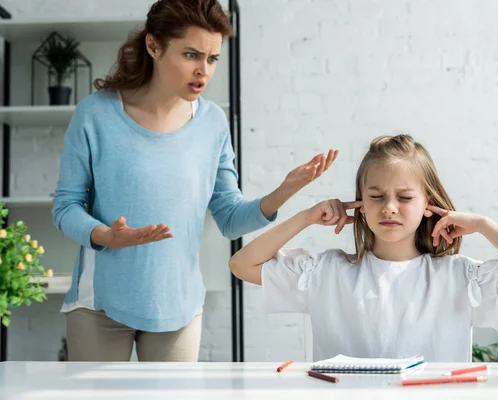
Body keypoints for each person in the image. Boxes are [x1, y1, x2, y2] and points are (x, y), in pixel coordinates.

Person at [52, 0, 338, 362]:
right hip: (99, 305)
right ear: (154, 46)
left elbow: (230, 218)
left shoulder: (213, 123)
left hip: (178, 308)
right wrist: (105, 236)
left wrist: (282, 193)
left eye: (213, 59)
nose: (203, 71)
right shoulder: (96, 114)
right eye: (191, 55)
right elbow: (65, 206)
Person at [229, 134, 498, 362]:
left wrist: (484, 225)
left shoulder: (460, 277)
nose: (389, 207)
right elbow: (242, 265)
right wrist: (305, 217)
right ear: (361, 203)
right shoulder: (325, 272)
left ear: (427, 204)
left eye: (404, 198)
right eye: (376, 196)